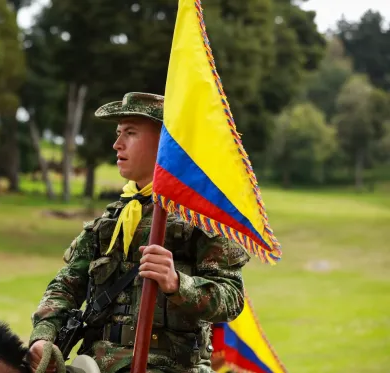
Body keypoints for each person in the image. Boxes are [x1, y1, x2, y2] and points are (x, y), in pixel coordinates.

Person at [27, 92, 251, 373]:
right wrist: (44, 336)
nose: (117, 144)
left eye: (130, 133)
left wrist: (176, 283)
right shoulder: (109, 221)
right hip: (95, 365)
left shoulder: (202, 218)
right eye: (118, 133)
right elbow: (66, 286)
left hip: (169, 367)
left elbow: (231, 298)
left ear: (165, 142)